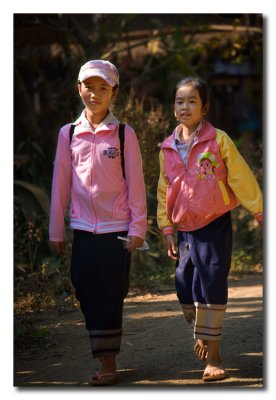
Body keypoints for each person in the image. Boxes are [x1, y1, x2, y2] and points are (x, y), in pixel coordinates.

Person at [157, 77, 263, 382]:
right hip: (184, 228)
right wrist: (166, 227)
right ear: (174, 107)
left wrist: (259, 208)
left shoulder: (218, 140)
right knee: (185, 279)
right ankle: (195, 313)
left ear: (205, 108)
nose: (185, 106)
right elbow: (163, 191)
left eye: (192, 101)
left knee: (212, 281)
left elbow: (240, 176)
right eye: (180, 101)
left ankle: (213, 355)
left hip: (214, 222)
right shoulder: (166, 148)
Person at [49, 60, 147, 385]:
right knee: (84, 290)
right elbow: (60, 184)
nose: (95, 93)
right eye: (89, 87)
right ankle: (104, 354)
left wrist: (137, 229)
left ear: (113, 93)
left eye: (103, 88)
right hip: (82, 229)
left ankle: (108, 362)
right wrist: (56, 230)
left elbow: (136, 184)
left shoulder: (123, 134)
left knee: (108, 294)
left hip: (116, 231)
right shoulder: (69, 134)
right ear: (79, 89)